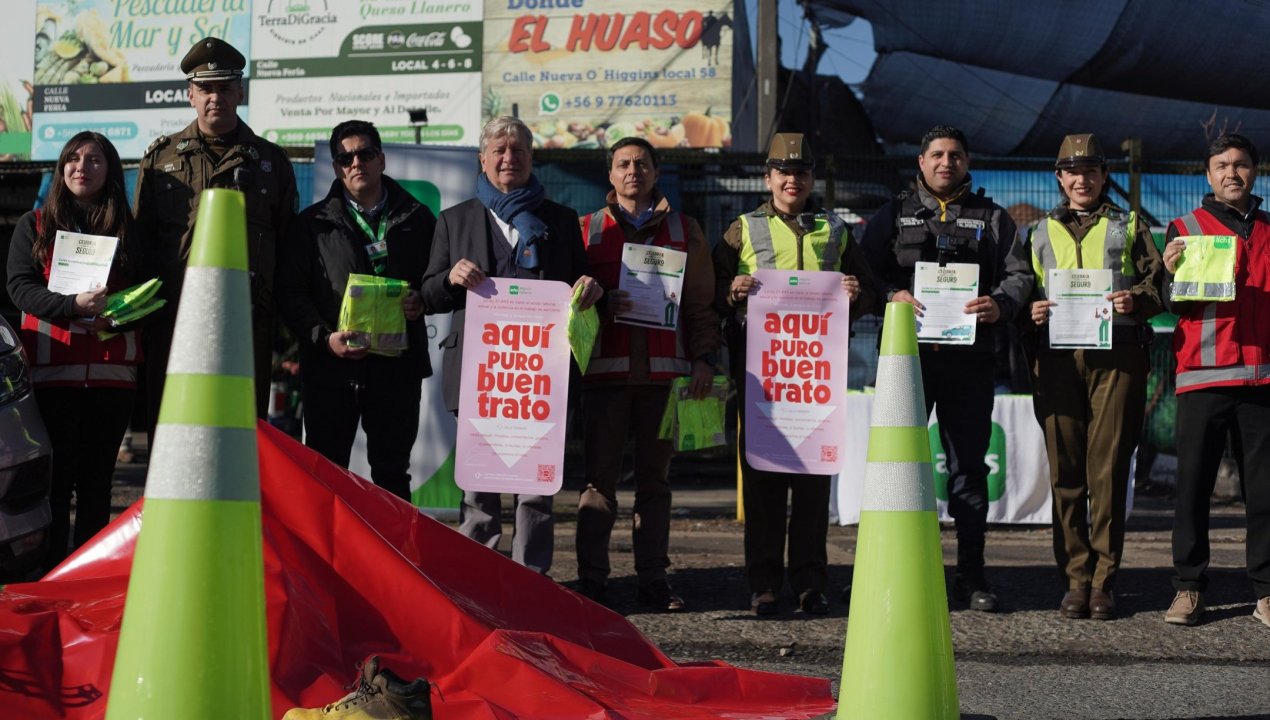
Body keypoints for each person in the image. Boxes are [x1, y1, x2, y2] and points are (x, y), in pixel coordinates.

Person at [861, 125, 1032, 612]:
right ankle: (889, 575)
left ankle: (971, 576)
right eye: (936, 154)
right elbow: (864, 271)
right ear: (921, 161)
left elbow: (1020, 275)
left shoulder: (993, 217)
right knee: (895, 470)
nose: (946, 162)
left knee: (969, 471)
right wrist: (890, 294)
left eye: (955, 155)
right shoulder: (892, 214)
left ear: (966, 161)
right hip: (905, 362)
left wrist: (999, 304)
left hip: (969, 363)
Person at [421, 116, 601, 575]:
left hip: (540, 379)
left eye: (518, 150)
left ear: (531, 158)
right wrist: (449, 278)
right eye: (499, 150)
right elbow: (428, 295)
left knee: (535, 490)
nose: (508, 158)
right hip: (480, 379)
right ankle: (476, 583)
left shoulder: (561, 221)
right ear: (482, 159)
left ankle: (529, 582)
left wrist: (589, 290)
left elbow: (579, 289)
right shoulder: (455, 220)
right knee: (478, 489)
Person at [714, 132, 874, 615]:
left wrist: (855, 292)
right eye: (783, 172)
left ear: (811, 178)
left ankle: (810, 583)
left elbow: (867, 290)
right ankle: (763, 583)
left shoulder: (836, 229)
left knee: (812, 482)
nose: (792, 180)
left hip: (816, 377)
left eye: (800, 172)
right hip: (761, 377)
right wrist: (731, 289)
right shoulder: (741, 229)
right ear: (768, 178)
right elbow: (709, 288)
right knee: (762, 480)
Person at [574, 137, 721, 611]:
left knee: (655, 485)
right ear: (610, 175)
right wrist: (599, 300)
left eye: (641, 163)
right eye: (623, 164)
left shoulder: (685, 229)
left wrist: (704, 359)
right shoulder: (585, 231)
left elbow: (701, 304)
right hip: (605, 380)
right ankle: (592, 582)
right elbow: (567, 305)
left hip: (664, 381)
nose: (632, 171)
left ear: (657, 173)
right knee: (597, 484)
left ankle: (653, 581)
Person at [1024, 134, 1162, 620]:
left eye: (1090, 171)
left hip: (1118, 357)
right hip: (1057, 358)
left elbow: (1159, 284)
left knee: (1107, 471)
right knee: (1065, 472)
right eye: (1071, 171)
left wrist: (1135, 300)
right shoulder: (1037, 231)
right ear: (1059, 178)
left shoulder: (1130, 224)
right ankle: (1074, 579)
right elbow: (1020, 288)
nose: (1081, 180)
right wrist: (1030, 310)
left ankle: (1103, 581)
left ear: (1104, 176)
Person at [133, 37, 296, 428]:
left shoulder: (271, 162)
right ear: (190, 94)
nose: (215, 97)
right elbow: (141, 245)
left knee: (241, 430)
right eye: (205, 88)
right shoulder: (159, 160)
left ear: (240, 92)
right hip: (175, 319)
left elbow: (289, 248)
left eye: (224, 87)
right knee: (172, 428)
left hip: (247, 321)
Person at [276, 120, 435, 502]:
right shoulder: (311, 224)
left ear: (381, 159)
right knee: (327, 476)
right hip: (331, 371)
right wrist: (324, 338)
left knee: (392, 475)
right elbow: (291, 293)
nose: (356, 163)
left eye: (365, 154)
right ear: (336, 167)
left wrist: (423, 299)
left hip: (397, 371)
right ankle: (326, 546)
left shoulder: (418, 218)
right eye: (346, 158)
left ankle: (391, 544)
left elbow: (437, 279)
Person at [6, 131, 143, 567]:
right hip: (51, 375)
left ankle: (89, 573)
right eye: (74, 158)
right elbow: (19, 288)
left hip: (112, 377)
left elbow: (151, 292)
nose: (82, 167)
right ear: (61, 167)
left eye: (95, 159)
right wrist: (71, 307)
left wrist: (115, 318)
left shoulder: (130, 229)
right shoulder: (35, 224)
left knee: (98, 484)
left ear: (111, 170)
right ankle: (52, 572)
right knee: (56, 483)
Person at [1161, 133, 1270, 628]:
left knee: (1265, 493)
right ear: (1208, 175)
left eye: (1240, 164)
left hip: (1262, 381)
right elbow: (1172, 303)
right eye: (1222, 165)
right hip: (1203, 378)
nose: (1232, 172)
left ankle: (1266, 592)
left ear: (1255, 171)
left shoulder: (1269, 229)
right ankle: (1188, 587)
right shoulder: (1185, 230)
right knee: (1192, 489)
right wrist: (1170, 274)